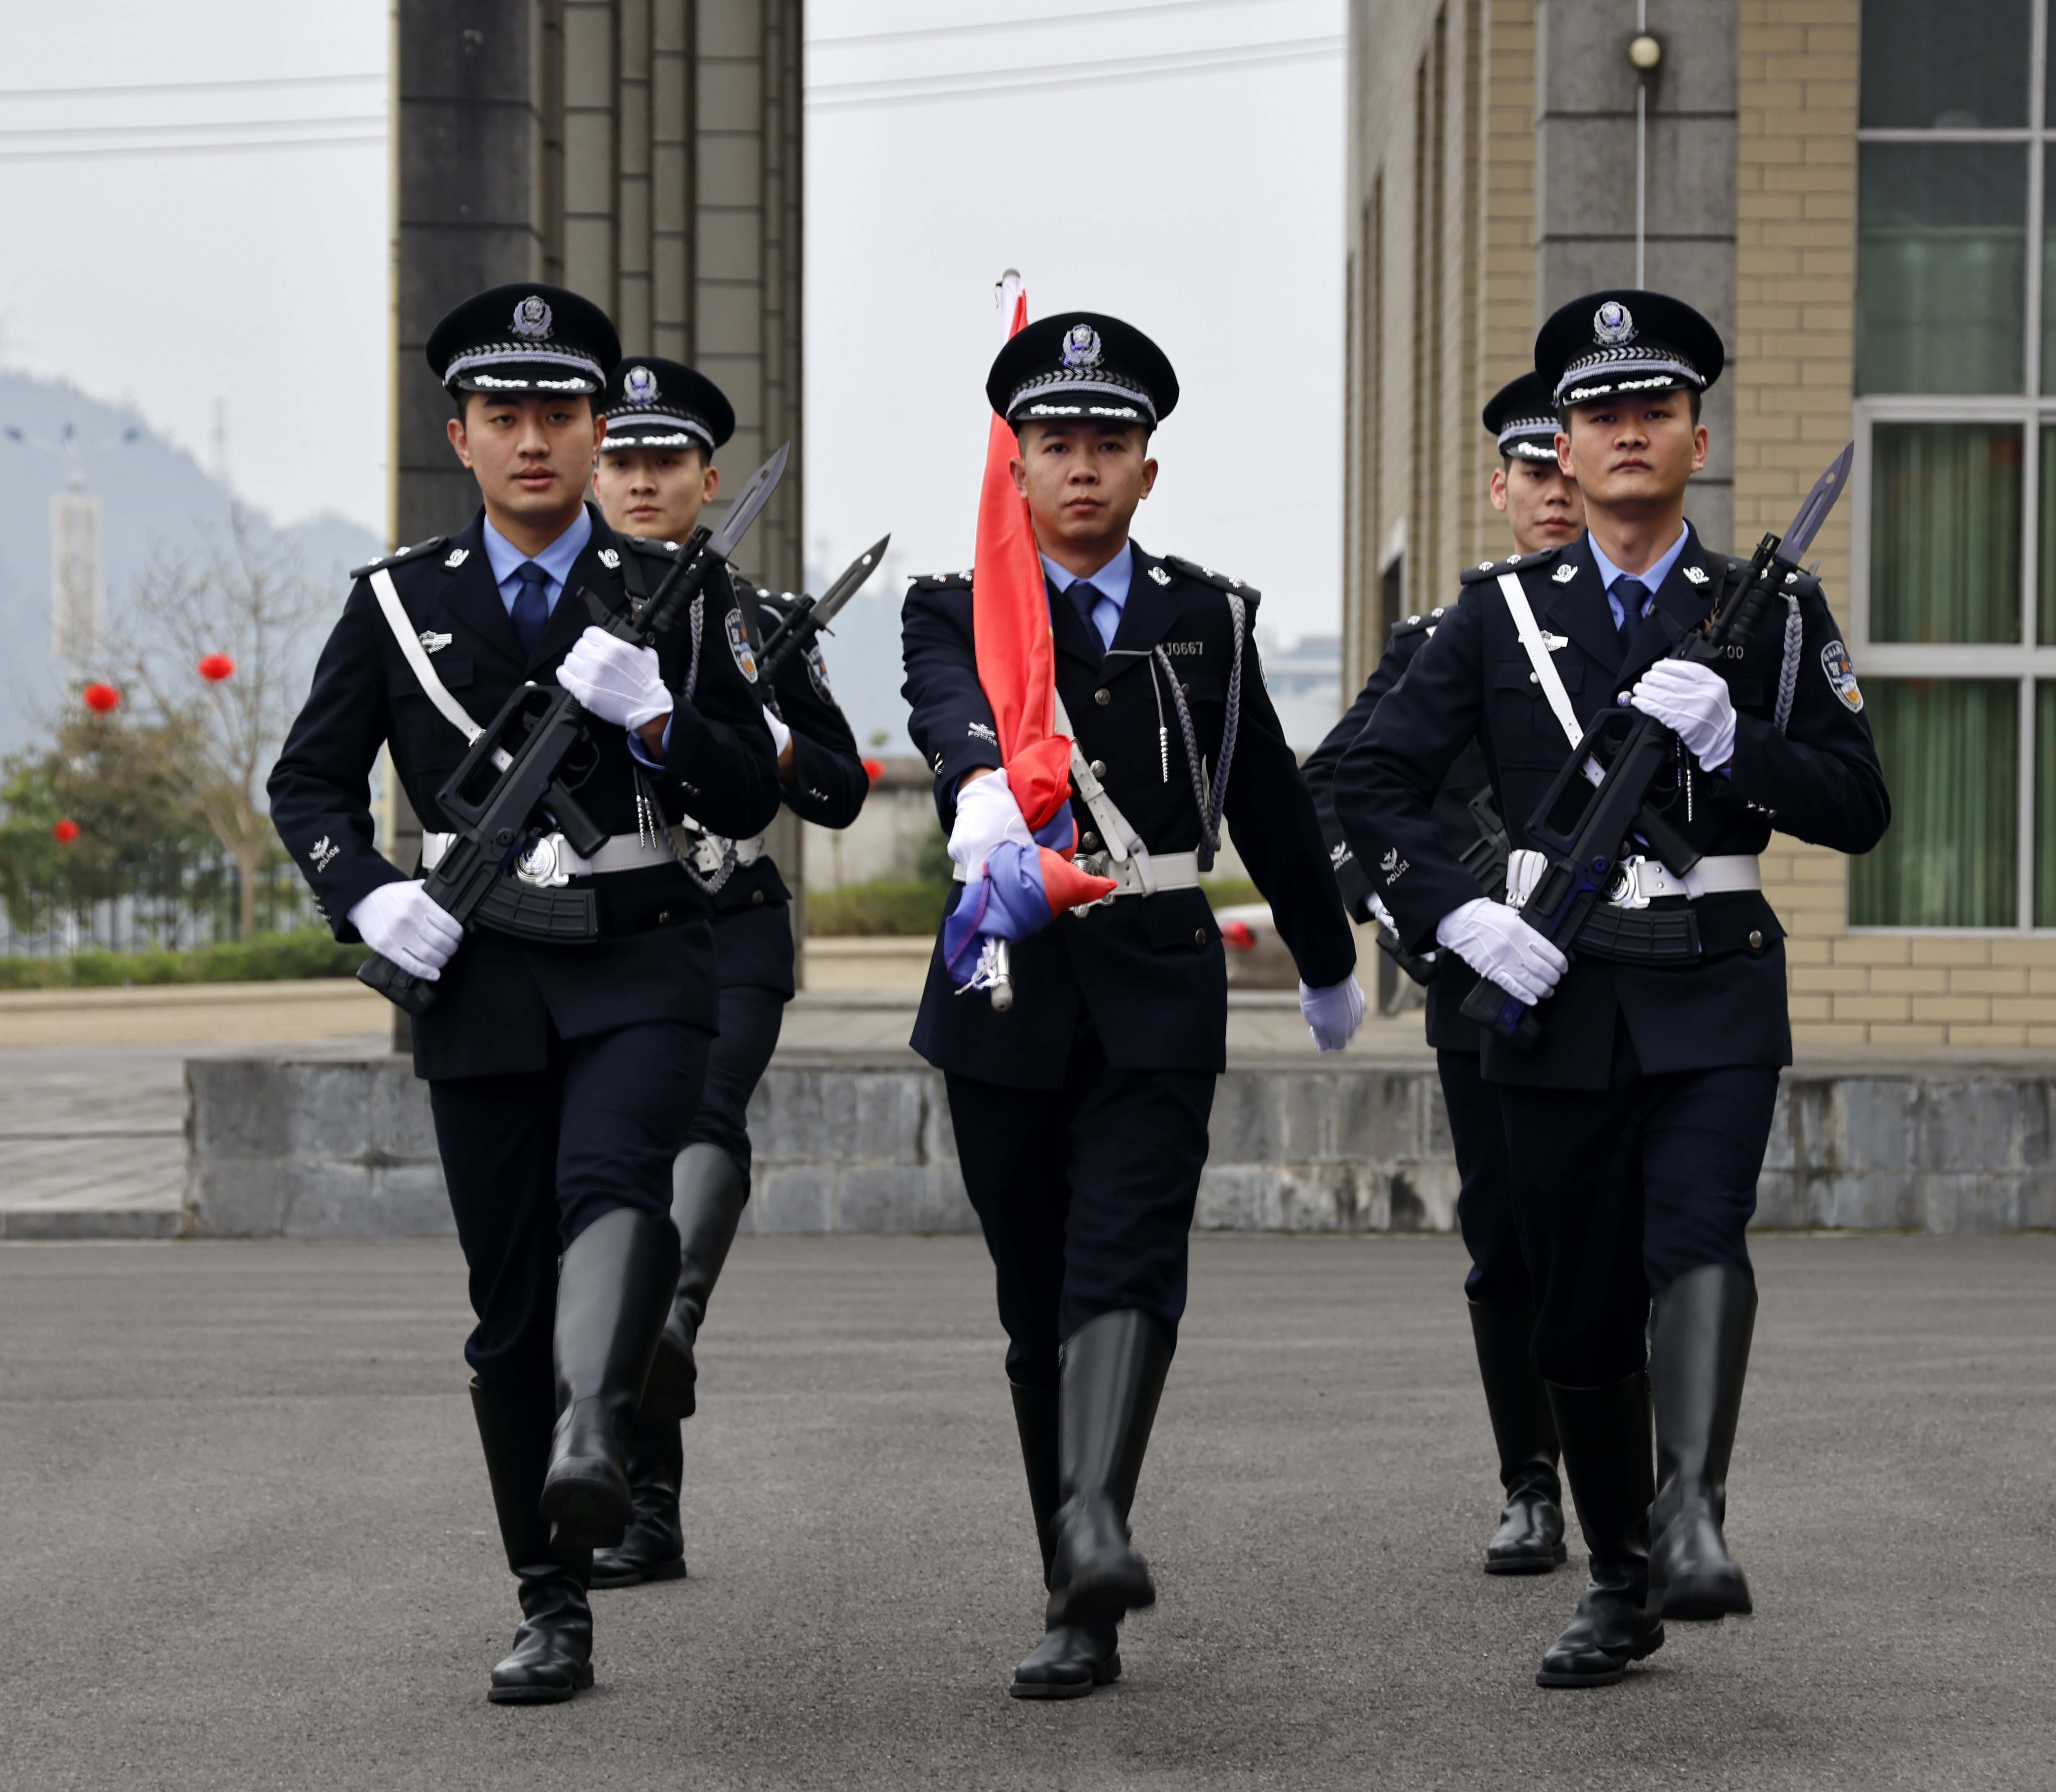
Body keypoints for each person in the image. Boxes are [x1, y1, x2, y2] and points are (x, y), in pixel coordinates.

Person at [1333, 291, 1888, 1689]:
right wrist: (1457, 916)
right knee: (1575, 1305)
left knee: (1697, 1236)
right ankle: (1624, 1572)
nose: (1629, 431)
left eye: (1656, 407)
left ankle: (1693, 1511)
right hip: (1556, 995)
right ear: (1561, 455)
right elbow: (1366, 790)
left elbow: (1861, 804)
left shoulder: (1771, 611)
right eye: (1598, 413)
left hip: (1712, 988)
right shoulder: (1495, 618)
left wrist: (1744, 741)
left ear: (1699, 435)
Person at [268, 283, 782, 1704]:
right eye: (508, 417)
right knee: (505, 1313)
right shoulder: (394, 602)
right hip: (481, 972)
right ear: (463, 435)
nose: (539, 442)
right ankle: (551, 1598)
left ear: (598, 425)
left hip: (640, 950)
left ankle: (601, 1422)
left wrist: (664, 717)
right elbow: (306, 783)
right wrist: (368, 894)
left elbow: (755, 784)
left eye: (563, 413)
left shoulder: (677, 592)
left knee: (616, 1185)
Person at [900, 310, 1364, 1700]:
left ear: (1149, 470)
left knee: (1128, 1258)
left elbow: (1270, 793)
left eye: (1111, 444)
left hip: (1156, 970)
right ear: (1018, 467)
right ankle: (1076, 1548)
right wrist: (982, 785)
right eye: (1058, 445)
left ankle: (1089, 1551)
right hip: (1003, 973)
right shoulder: (956, 604)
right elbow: (944, 709)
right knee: (1036, 1300)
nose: (1085, 468)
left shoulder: (1207, 615)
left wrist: (1328, 955)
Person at [582, 357, 870, 1591]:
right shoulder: (547, 610)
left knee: (703, 1117)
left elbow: (844, 788)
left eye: (668, 463)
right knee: (609, 1191)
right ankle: (651, 1503)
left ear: (709, 480)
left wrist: (773, 731)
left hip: (729, 912)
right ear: (597, 473)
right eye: (624, 460)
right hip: (597, 922)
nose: (645, 481)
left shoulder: (757, 622)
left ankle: (674, 1318)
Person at [1300, 370, 1586, 1581]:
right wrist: (1417, 911)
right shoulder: (1446, 636)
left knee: (1625, 1235)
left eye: (1571, 470)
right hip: (1483, 994)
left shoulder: (1671, 620)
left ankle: (1651, 1482)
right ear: (1501, 487)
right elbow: (1334, 789)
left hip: (1634, 970)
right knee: (1508, 1236)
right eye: (1535, 474)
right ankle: (1531, 1483)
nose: (1557, 494)